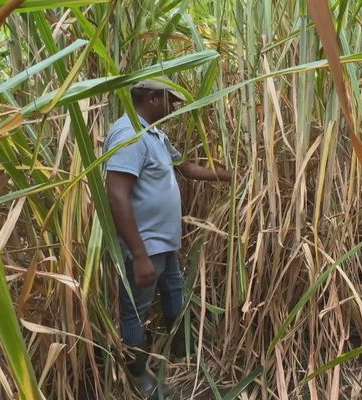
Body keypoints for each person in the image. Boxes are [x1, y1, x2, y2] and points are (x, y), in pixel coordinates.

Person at [103, 79, 231, 398]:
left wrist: (234, 174)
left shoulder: (155, 136)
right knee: (136, 311)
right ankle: (139, 377)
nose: (172, 107)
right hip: (144, 246)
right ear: (151, 98)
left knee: (175, 292)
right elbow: (116, 194)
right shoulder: (129, 133)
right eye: (169, 101)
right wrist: (140, 253)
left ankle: (179, 353)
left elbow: (186, 169)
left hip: (165, 243)